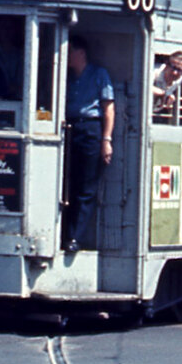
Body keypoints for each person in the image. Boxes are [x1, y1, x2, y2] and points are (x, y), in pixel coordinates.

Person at [62, 35, 115, 253]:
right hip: (68, 129)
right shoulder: (65, 76)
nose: (66, 57)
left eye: (69, 52)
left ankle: (75, 237)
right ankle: (63, 232)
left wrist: (106, 139)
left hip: (90, 129)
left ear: (80, 53)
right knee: (67, 183)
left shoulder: (98, 74)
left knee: (86, 186)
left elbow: (108, 109)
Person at [150, 51, 182, 120]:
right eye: (173, 67)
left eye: (179, 70)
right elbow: (142, 86)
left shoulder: (179, 79)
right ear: (167, 64)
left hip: (154, 111)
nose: (175, 72)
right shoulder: (153, 70)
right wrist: (165, 93)